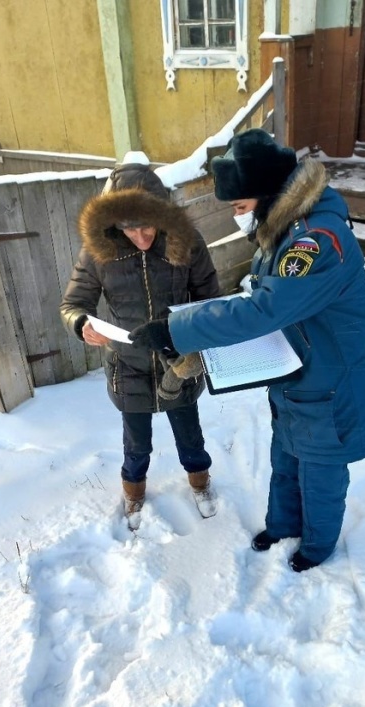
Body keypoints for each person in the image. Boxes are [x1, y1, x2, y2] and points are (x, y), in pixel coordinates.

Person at [129, 128, 365, 571]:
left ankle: (317, 548)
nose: (237, 217)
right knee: (284, 461)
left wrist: (178, 329)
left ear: (267, 195)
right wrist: (202, 348)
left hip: (330, 384)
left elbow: (265, 309)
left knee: (320, 474)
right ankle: (283, 525)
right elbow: (259, 300)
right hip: (295, 376)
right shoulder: (279, 229)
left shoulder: (316, 241)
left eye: (240, 207)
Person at [60, 159, 220, 530]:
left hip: (178, 362)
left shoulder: (186, 243)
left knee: (190, 436)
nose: (142, 237)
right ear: (114, 223)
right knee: (136, 444)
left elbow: (210, 297)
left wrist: (192, 336)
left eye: (148, 226)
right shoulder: (99, 252)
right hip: (128, 364)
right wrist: (81, 324)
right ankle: (133, 493)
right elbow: (73, 304)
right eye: (130, 229)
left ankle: (200, 482)